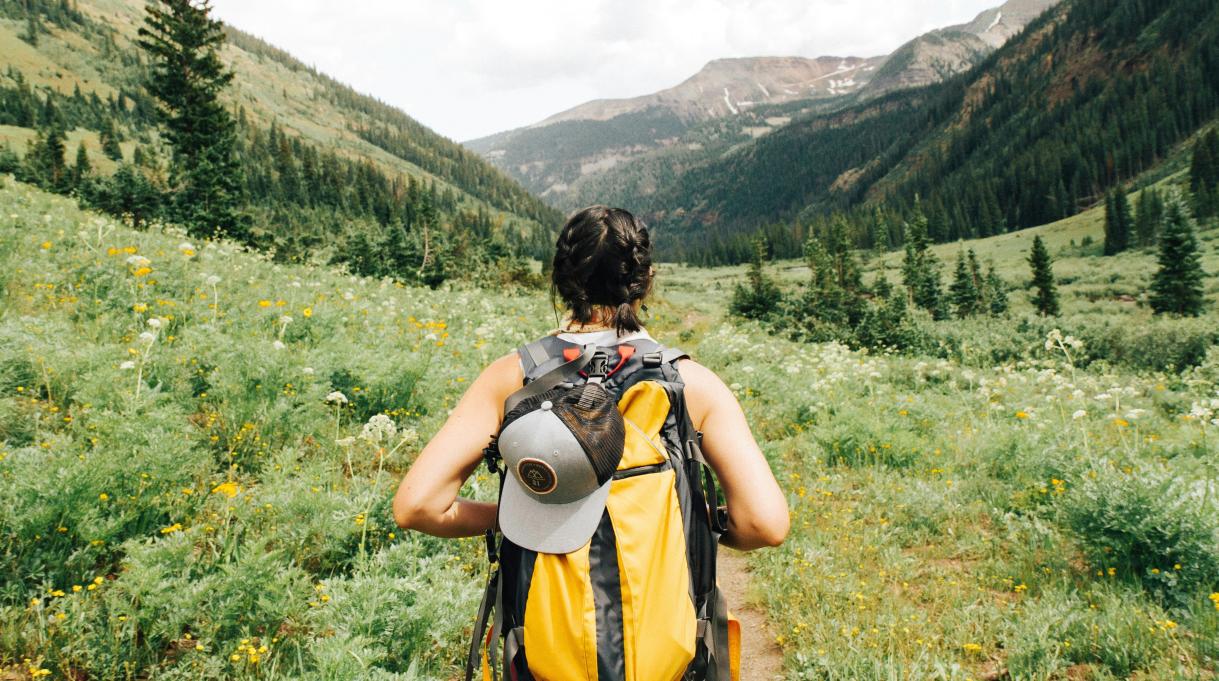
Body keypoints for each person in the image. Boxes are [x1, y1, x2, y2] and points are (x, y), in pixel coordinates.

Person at [392, 205, 788, 552]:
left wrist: (514, 519)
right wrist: (688, 520)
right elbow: (764, 525)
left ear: (560, 281)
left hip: (542, 632)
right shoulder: (691, 382)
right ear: (646, 280)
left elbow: (418, 506)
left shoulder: (512, 376)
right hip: (664, 635)